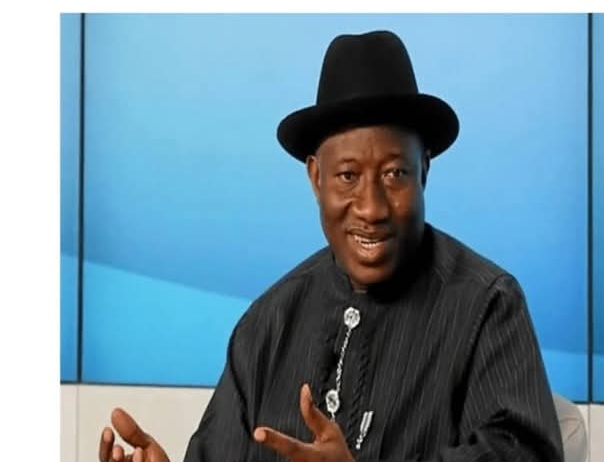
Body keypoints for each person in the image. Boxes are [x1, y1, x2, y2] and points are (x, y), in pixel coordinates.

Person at [98, 30, 564, 462]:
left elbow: (524, 454)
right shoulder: (268, 323)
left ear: (424, 170)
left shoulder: (486, 305)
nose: (372, 207)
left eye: (394, 174)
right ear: (315, 177)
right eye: (347, 176)